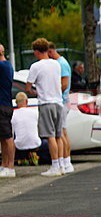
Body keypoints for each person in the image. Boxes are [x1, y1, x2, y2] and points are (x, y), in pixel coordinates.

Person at [25, 38, 63, 177]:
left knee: (50, 136)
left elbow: (28, 87)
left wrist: (35, 92)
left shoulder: (36, 66)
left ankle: (54, 166)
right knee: (59, 136)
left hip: (46, 102)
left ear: (36, 51)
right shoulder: (56, 64)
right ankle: (62, 164)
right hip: (58, 102)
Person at [47, 42, 74, 173]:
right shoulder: (63, 62)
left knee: (61, 133)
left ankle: (64, 161)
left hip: (62, 101)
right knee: (63, 132)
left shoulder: (61, 64)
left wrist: (53, 90)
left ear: (50, 52)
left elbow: (64, 84)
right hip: (64, 101)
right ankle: (67, 161)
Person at [11, 92, 45, 166]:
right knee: (47, 142)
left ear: (16, 103)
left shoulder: (13, 115)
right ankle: (34, 156)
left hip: (19, 146)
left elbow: (12, 134)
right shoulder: (35, 112)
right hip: (36, 144)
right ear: (27, 101)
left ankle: (23, 158)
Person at [0, 43, 15, 178]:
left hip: (2, 105)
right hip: (4, 104)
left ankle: (10, 167)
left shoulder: (2, 66)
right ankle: (4, 164)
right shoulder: (7, 65)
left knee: (7, 136)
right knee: (3, 138)